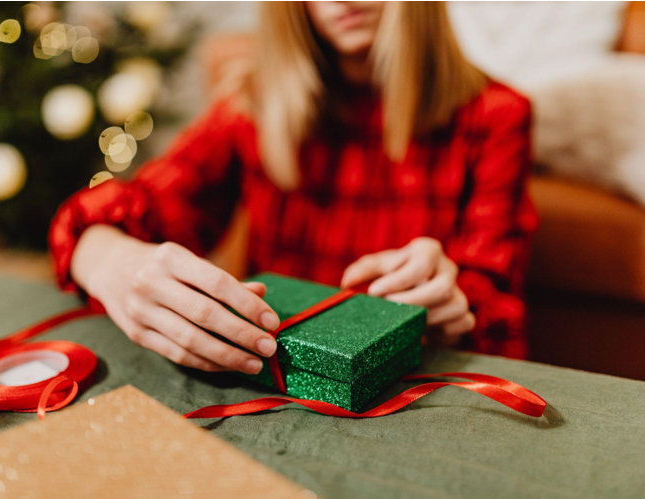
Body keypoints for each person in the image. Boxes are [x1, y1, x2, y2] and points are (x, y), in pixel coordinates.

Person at [49, 2, 537, 377]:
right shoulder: (251, 102)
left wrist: (458, 307)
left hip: (414, 389)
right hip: (272, 384)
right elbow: (143, 204)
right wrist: (107, 260)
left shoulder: (497, 115)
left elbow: (496, 307)